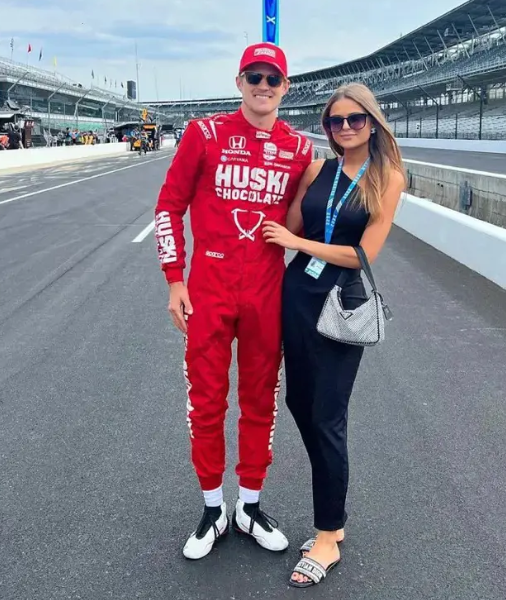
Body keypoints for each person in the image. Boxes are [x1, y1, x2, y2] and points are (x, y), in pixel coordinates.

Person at [154, 42, 313, 560]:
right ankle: (211, 508)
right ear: (239, 81)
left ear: (285, 87)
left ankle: (248, 504)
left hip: (269, 291)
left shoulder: (300, 149)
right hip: (209, 289)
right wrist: (175, 279)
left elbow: (314, 215)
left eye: (273, 79)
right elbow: (168, 206)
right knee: (206, 401)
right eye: (254, 76)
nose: (263, 86)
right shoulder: (205, 134)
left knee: (259, 401)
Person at [262, 82, 406, 587]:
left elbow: (363, 254)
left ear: (372, 121)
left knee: (327, 415)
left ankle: (328, 534)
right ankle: (333, 515)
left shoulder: (388, 176)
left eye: (354, 119)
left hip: (342, 300)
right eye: (335, 121)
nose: (344, 128)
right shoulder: (319, 168)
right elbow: (292, 218)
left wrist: (297, 241)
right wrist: (295, 192)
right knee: (301, 404)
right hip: (297, 294)